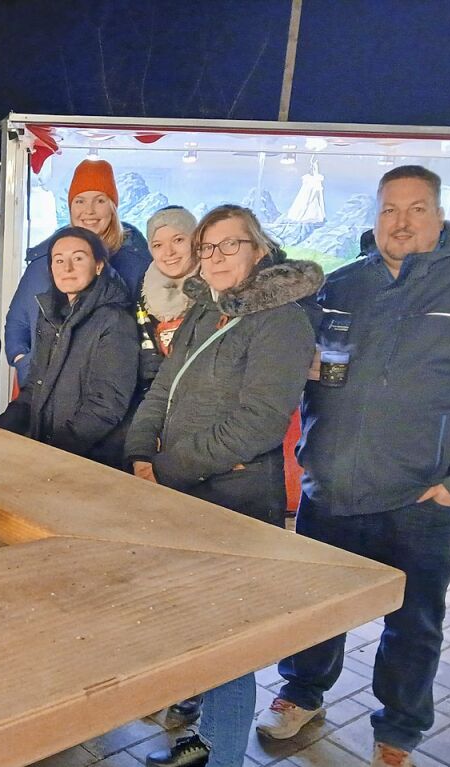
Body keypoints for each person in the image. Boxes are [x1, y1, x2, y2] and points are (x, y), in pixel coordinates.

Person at [255, 166, 450, 767]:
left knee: (414, 622)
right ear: (374, 217)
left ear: (439, 213)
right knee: (319, 604)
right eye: (388, 210)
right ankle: (301, 692)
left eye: (416, 209)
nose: (400, 222)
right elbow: (297, 365)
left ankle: (398, 727)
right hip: (333, 487)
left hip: (419, 499)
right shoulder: (339, 290)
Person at [125, 204, 321, 767]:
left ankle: (224, 755)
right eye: (207, 248)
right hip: (179, 495)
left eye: (228, 246)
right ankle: (199, 740)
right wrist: (141, 453)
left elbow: (257, 425)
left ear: (258, 251)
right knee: (190, 631)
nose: (214, 258)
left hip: (234, 502)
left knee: (228, 647)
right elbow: (161, 390)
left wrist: (164, 468)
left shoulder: (282, 321)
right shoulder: (204, 311)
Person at [0, 227, 138, 468]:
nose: (67, 268)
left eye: (78, 258)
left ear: (99, 265)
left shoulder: (115, 321)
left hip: (89, 462)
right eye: (59, 260)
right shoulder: (51, 316)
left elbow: (106, 405)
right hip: (48, 453)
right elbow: (34, 388)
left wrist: (56, 451)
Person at [5, 158, 151, 386]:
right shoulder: (43, 261)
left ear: (113, 206)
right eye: (80, 201)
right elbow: (17, 322)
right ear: (71, 206)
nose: (89, 211)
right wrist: (23, 361)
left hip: (108, 396)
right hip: (40, 390)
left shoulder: (136, 265)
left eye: (100, 200)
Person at [137, 205, 199, 394]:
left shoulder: (217, 288)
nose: (169, 252)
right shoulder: (142, 292)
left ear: (196, 241)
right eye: (158, 245)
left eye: (178, 240)